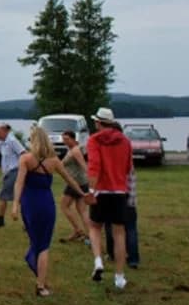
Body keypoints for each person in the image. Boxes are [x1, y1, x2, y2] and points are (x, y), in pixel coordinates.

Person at [10, 127, 93, 296]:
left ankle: (39, 276)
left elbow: (19, 183)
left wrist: (15, 205)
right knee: (43, 245)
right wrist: (83, 193)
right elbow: (70, 180)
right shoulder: (54, 161)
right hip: (46, 205)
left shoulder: (25, 159)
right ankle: (41, 285)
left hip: (29, 205)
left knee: (37, 242)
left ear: (33, 141)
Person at [85, 108, 134, 289]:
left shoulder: (94, 140)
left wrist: (91, 190)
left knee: (94, 226)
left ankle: (98, 260)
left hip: (100, 190)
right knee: (119, 233)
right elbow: (129, 167)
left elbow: (94, 166)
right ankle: (119, 277)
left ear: (98, 123)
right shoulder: (126, 141)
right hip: (119, 191)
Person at [58, 131, 91, 243]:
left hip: (76, 183)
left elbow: (84, 165)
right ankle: (90, 235)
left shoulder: (75, 150)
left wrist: (91, 179)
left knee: (64, 206)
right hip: (81, 182)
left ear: (73, 139)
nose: (65, 141)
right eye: (63, 139)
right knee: (82, 210)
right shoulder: (73, 149)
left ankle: (78, 230)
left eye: (67, 139)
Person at [105, 168, 140, 269]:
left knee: (110, 227)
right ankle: (133, 259)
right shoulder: (130, 166)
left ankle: (112, 254)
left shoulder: (111, 164)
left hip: (113, 201)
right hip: (129, 203)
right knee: (131, 230)